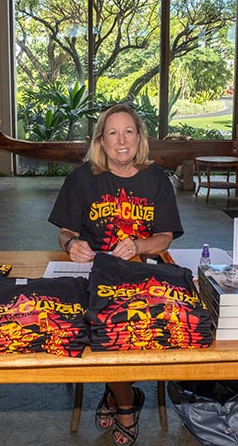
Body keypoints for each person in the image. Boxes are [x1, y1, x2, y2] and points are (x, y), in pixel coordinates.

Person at [48, 103, 183, 446]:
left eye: (128, 132)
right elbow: (64, 231)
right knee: (98, 324)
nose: (121, 140)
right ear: (101, 142)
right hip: (91, 272)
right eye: (113, 133)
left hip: (142, 273)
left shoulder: (157, 179)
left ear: (139, 138)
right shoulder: (81, 179)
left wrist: (139, 244)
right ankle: (126, 401)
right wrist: (72, 244)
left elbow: (165, 236)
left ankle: (116, 396)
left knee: (128, 325)